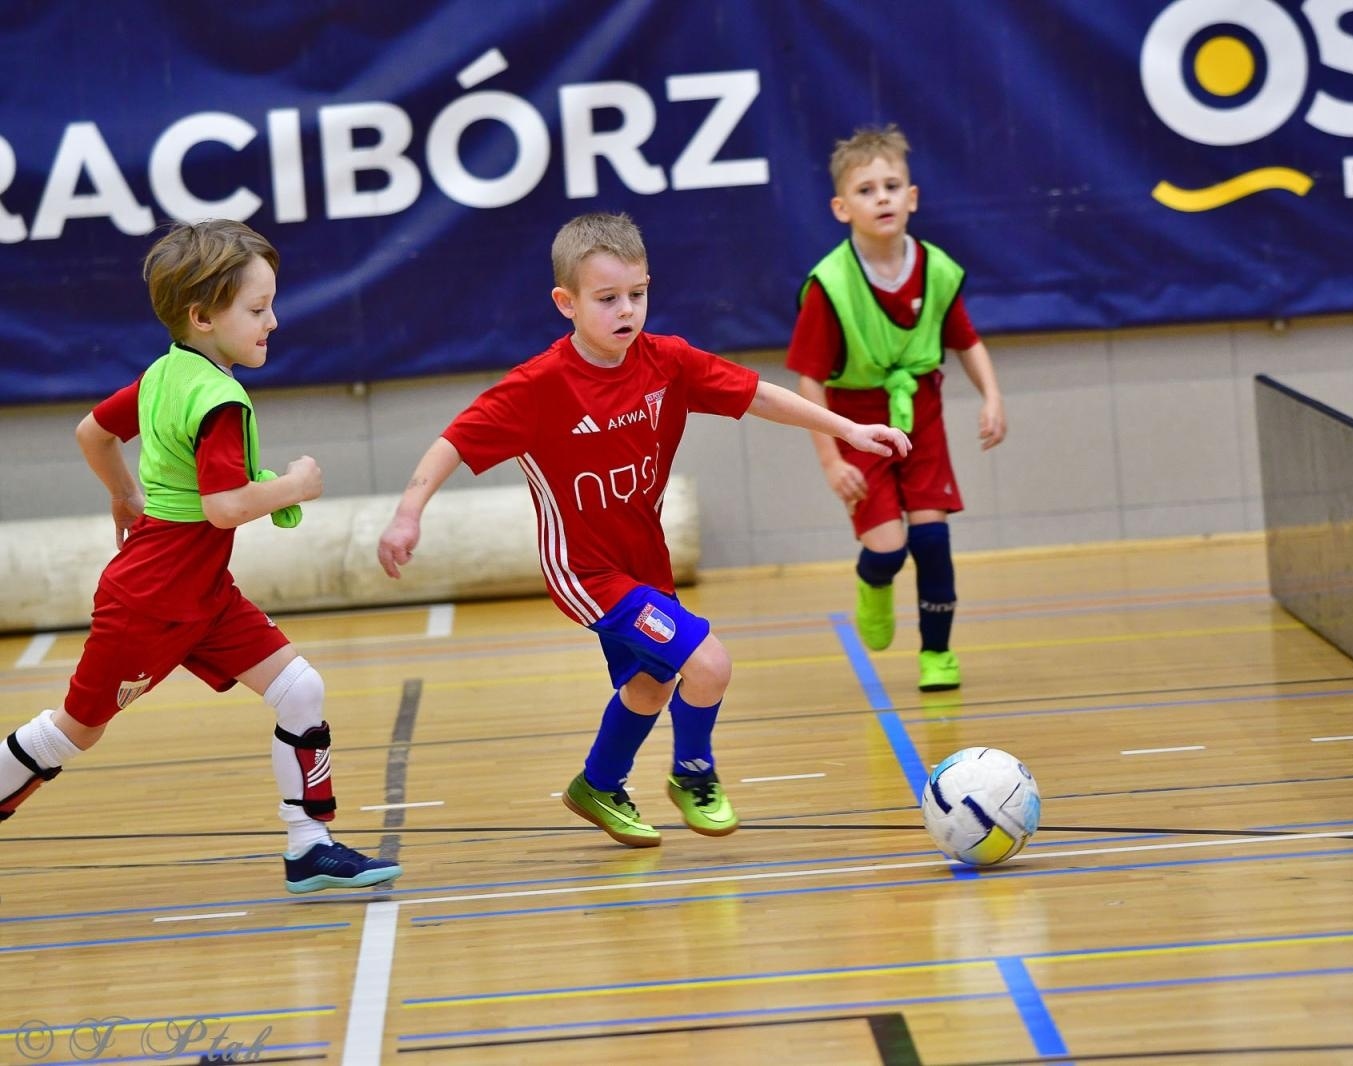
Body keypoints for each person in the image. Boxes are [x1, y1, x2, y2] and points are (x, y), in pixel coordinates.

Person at [376, 211, 909, 848]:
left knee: (650, 686)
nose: (627, 310)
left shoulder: (667, 362)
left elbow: (758, 395)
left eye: (638, 294)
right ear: (565, 304)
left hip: (645, 562)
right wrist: (409, 512)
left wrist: (847, 430)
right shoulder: (538, 387)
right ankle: (694, 773)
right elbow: (453, 443)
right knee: (708, 662)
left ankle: (598, 783)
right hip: (587, 572)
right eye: (607, 299)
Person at [0, 220, 402, 895]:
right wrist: (294, 486)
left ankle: (310, 847)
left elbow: (91, 433)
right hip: (152, 600)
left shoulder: (165, 373)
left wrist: (126, 495)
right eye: (256, 308)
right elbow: (224, 506)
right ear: (203, 316)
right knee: (74, 733)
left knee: (299, 688)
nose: (273, 320)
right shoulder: (218, 397)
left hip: (202, 590)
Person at [787, 124, 1006, 693]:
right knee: (888, 547)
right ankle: (873, 581)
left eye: (891, 186)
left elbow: (966, 340)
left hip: (921, 413)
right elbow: (808, 379)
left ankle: (938, 653)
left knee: (932, 540)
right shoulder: (829, 285)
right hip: (858, 425)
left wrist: (992, 396)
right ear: (841, 207)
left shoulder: (936, 268)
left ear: (912, 198)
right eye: (866, 190)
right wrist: (832, 459)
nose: (881, 197)